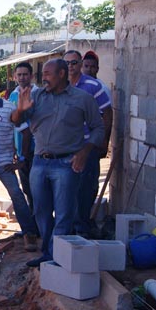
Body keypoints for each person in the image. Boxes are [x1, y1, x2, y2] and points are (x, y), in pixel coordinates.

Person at [13, 59, 104, 267]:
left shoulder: (82, 98)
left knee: (64, 213)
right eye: (43, 73)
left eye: (48, 73)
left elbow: (98, 128)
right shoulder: (35, 96)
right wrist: (20, 109)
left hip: (67, 164)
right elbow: (16, 121)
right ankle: (48, 252)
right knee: (41, 211)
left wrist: (85, 151)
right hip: (39, 162)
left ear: (62, 74)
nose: (43, 77)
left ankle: (58, 257)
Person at [0, 73, 38, 252]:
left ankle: (29, 234)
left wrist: (22, 159)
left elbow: (26, 133)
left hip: (4, 162)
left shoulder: (10, 108)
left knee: (17, 195)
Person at [64, 50, 113, 238]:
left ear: (80, 63)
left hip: (88, 147)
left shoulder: (93, 86)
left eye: (74, 62)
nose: (71, 66)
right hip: (65, 148)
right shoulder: (59, 86)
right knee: (66, 189)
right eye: (67, 63)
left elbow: (107, 114)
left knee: (85, 189)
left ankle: (82, 229)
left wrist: (103, 142)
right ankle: (67, 229)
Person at [8, 62, 37, 213]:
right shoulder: (13, 95)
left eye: (25, 74)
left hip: (35, 150)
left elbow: (28, 129)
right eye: (19, 75)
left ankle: (39, 227)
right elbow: (13, 124)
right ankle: (33, 225)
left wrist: (24, 156)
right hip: (21, 151)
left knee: (37, 190)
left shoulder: (38, 94)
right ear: (14, 77)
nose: (22, 77)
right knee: (26, 188)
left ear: (31, 76)